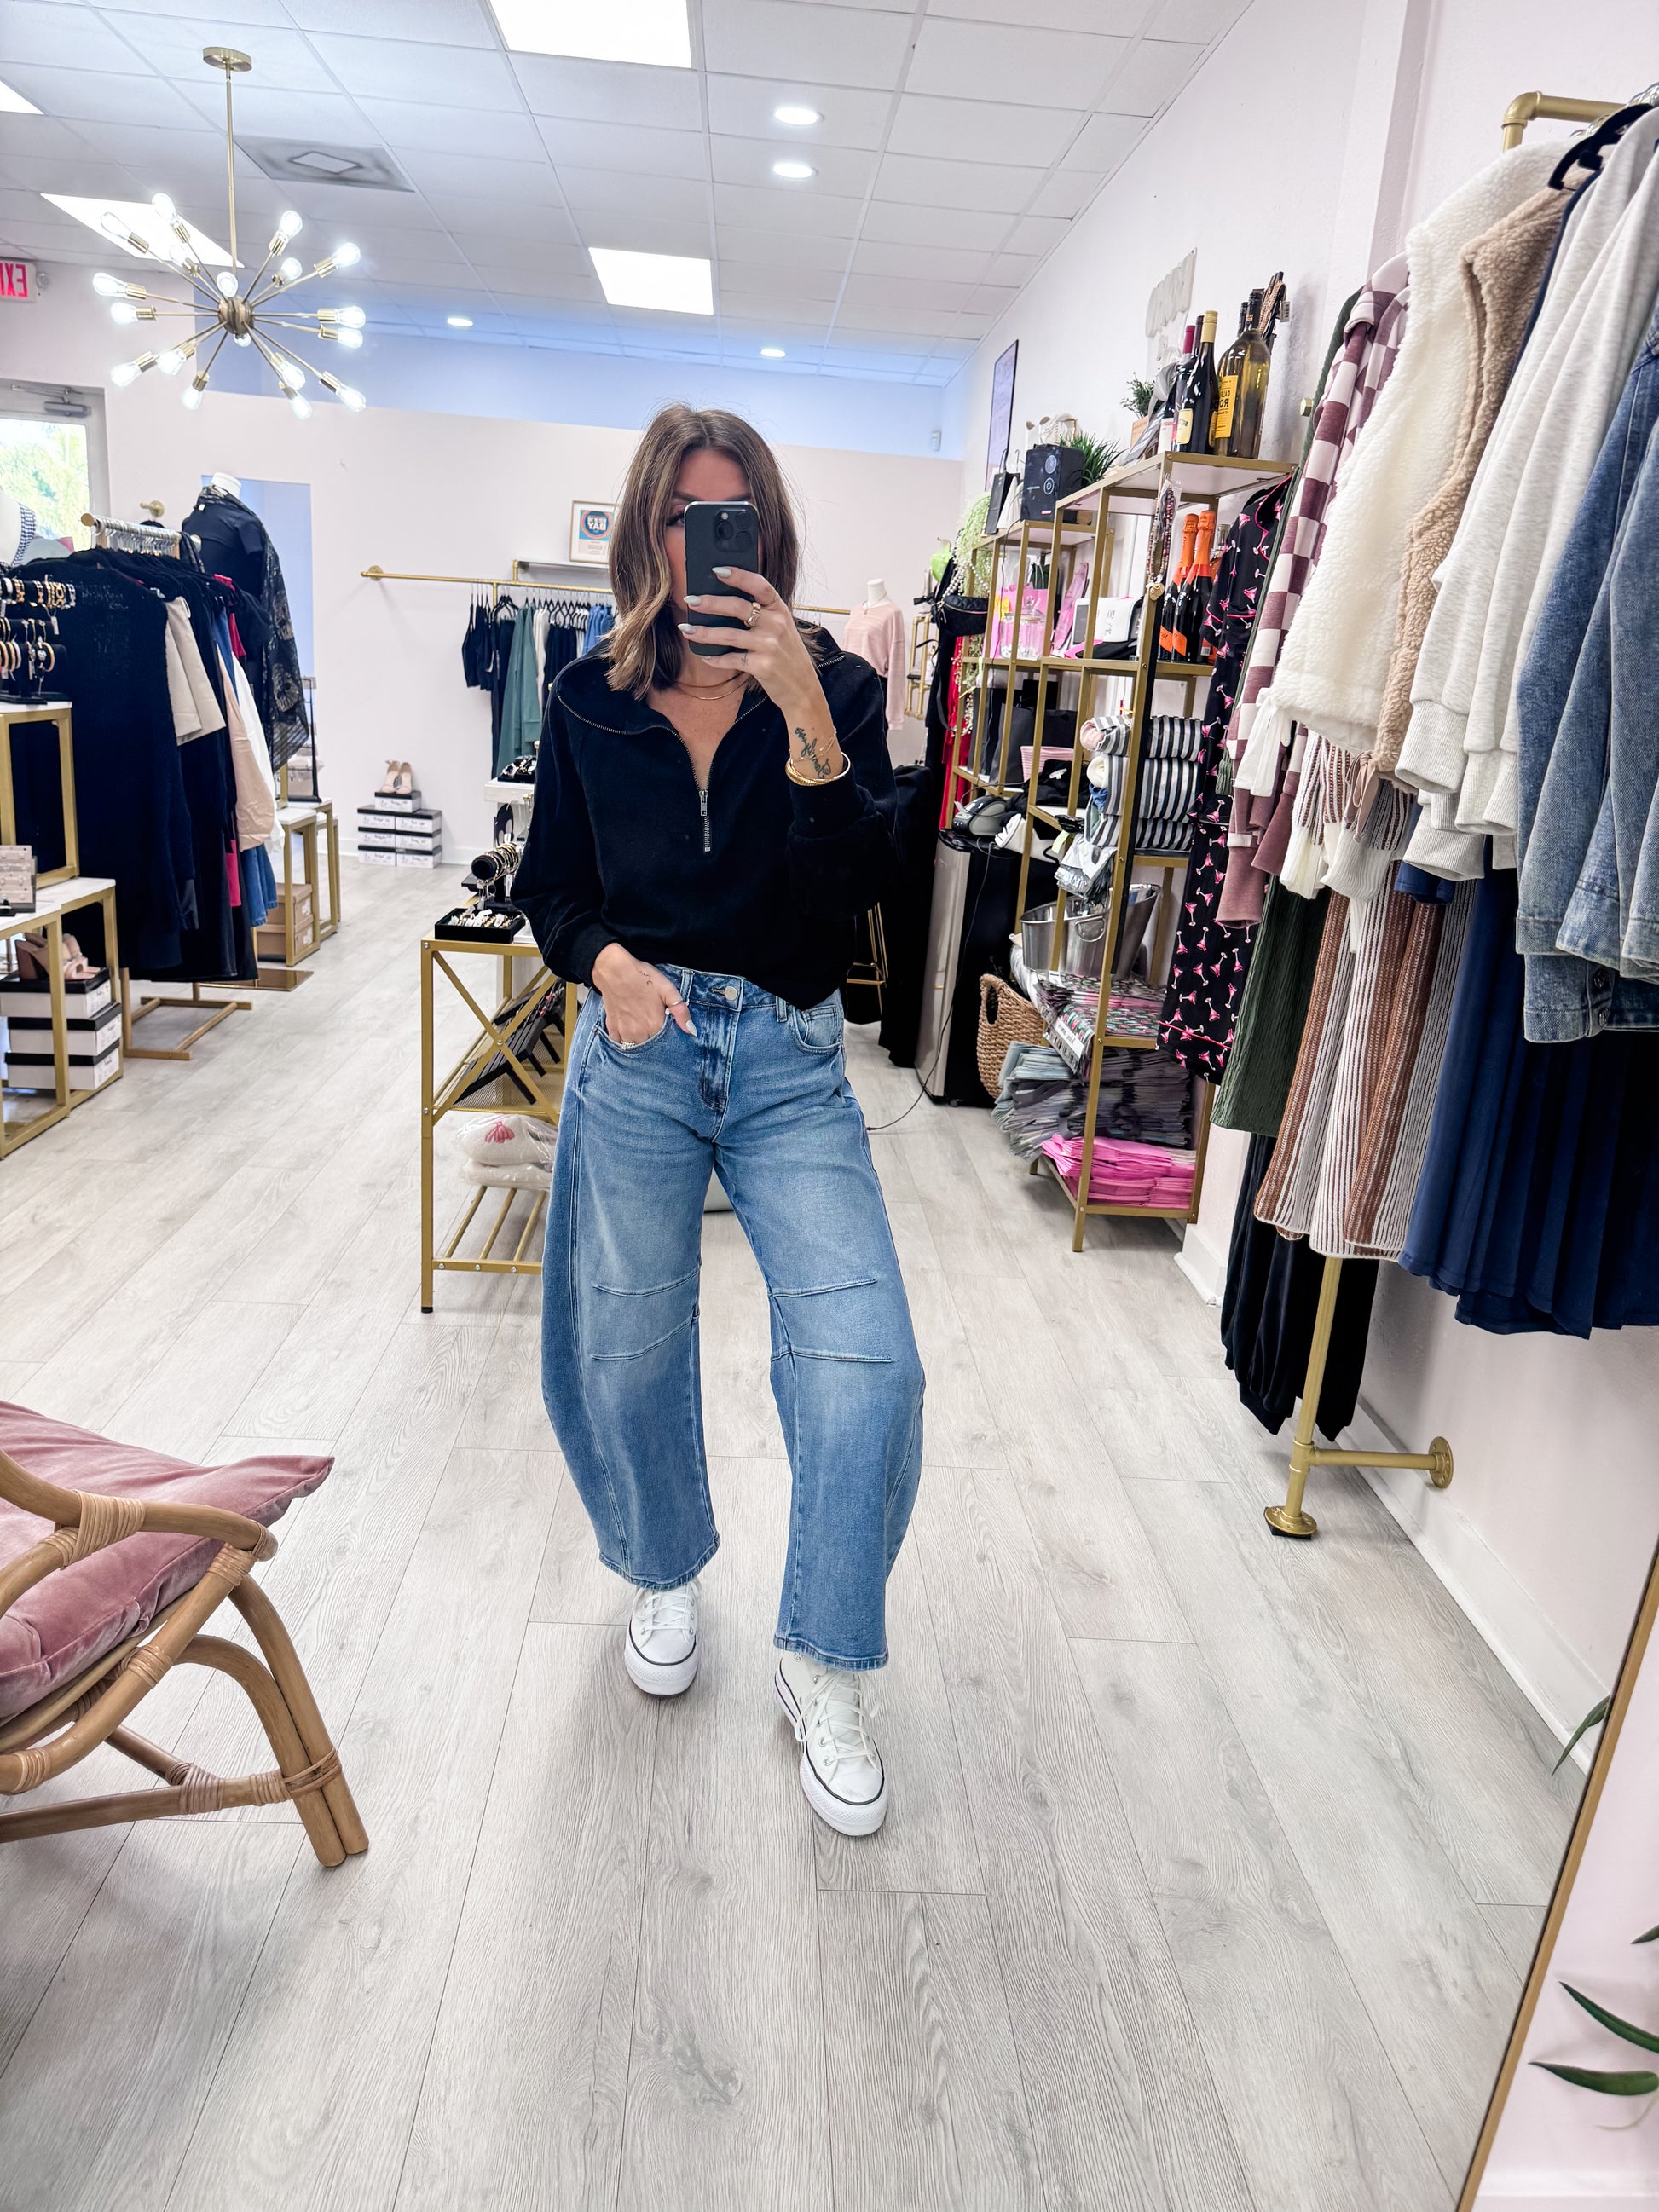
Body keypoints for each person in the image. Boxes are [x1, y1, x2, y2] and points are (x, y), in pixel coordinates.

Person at [512, 404, 925, 1838]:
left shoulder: (840, 688)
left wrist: (808, 719)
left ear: (767, 532)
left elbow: (853, 898)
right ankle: (662, 1569)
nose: (708, 539)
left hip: (789, 1057)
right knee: (620, 1342)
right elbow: (550, 891)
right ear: (649, 529)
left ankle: (822, 1654)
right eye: (685, 514)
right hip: (637, 1047)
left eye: (731, 514)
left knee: (869, 1363)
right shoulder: (586, 696)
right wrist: (608, 968)